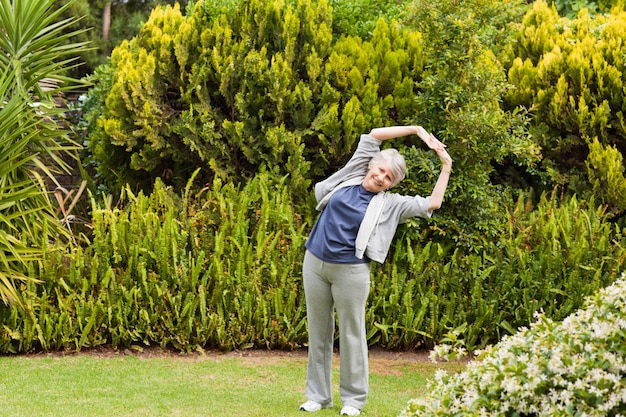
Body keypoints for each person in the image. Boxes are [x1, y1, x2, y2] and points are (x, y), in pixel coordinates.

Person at [299, 126, 452, 416]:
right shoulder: (354, 173)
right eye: (380, 170)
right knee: (318, 332)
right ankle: (317, 397)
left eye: (388, 178)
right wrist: (417, 130)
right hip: (315, 262)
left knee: (352, 333)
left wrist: (446, 166)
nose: (380, 177)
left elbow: (432, 203)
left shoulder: (391, 205)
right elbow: (375, 135)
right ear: (371, 165)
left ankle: (353, 401)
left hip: (351, 272)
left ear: (391, 184)